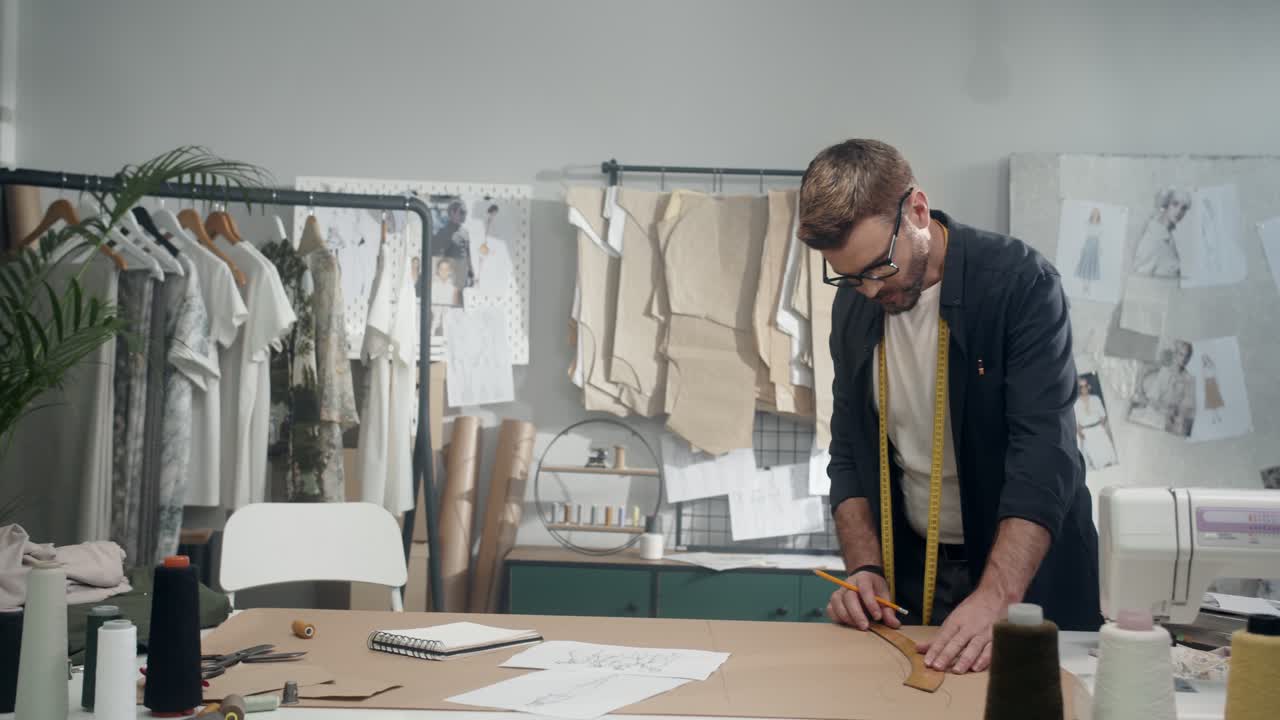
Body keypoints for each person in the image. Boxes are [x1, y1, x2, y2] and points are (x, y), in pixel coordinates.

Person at [798, 139, 1100, 675]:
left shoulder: (1020, 285)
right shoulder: (855, 305)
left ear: (917, 210)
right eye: (848, 276)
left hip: (1027, 575)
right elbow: (848, 450)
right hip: (920, 568)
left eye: (879, 267)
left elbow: (1044, 457)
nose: (866, 291)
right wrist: (865, 568)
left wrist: (998, 595)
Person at [1130, 341, 1195, 437]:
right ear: (1175, 354)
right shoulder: (1165, 370)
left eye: (1187, 356)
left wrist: (1177, 415)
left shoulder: (1188, 378)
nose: (1184, 359)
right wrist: (1140, 393)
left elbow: (1185, 406)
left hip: (1170, 418)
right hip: (1155, 413)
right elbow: (1152, 400)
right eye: (1181, 354)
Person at [1132, 187, 1191, 277]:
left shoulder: (1168, 235)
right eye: (1175, 204)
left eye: (1184, 208)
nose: (1179, 211)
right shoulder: (1154, 236)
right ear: (1165, 204)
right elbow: (1140, 275)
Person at [1074, 377, 1116, 470]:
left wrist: (1100, 427)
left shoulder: (1095, 399)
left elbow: (1103, 415)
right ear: (1079, 389)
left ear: (1088, 387)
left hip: (1098, 429)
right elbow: (1076, 420)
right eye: (1081, 387)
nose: (1083, 388)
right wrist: (1079, 432)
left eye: (1085, 386)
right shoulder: (1076, 403)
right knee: (1095, 456)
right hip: (1086, 432)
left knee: (1107, 453)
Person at [1075, 207, 1103, 295]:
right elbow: (1085, 236)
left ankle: (1088, 287)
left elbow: (1100, 237)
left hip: (1095, 246)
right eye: (1094, 213)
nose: (1095, 214)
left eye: (1096, 213)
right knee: (1085, 264)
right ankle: (1084, 286)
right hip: (1088, 244)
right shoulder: (1087, 223)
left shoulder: (1100, 225)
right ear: (1091, 214)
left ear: (1098, 215)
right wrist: (1082, 247)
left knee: (1092, 266)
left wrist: (1100, 249)